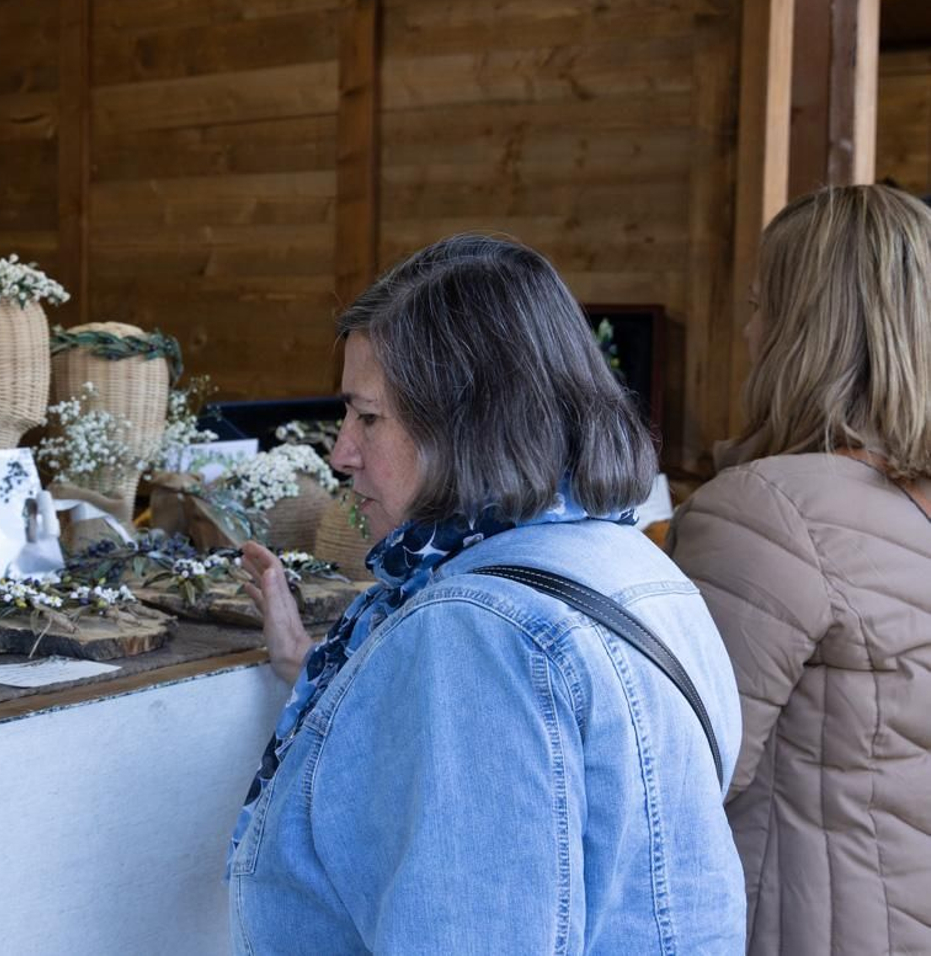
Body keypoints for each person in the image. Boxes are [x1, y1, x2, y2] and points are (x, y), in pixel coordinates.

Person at [234, 234, 745, 953]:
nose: (342, 451)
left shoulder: (476, 631)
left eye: (368, 417)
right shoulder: (636, 566)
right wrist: (305, 660)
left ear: (466, 424)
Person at [667, 184, 931, 955]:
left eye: (759, 305)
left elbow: (681, 778)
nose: (748, 330)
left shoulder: (767, 512)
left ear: (804, 329)